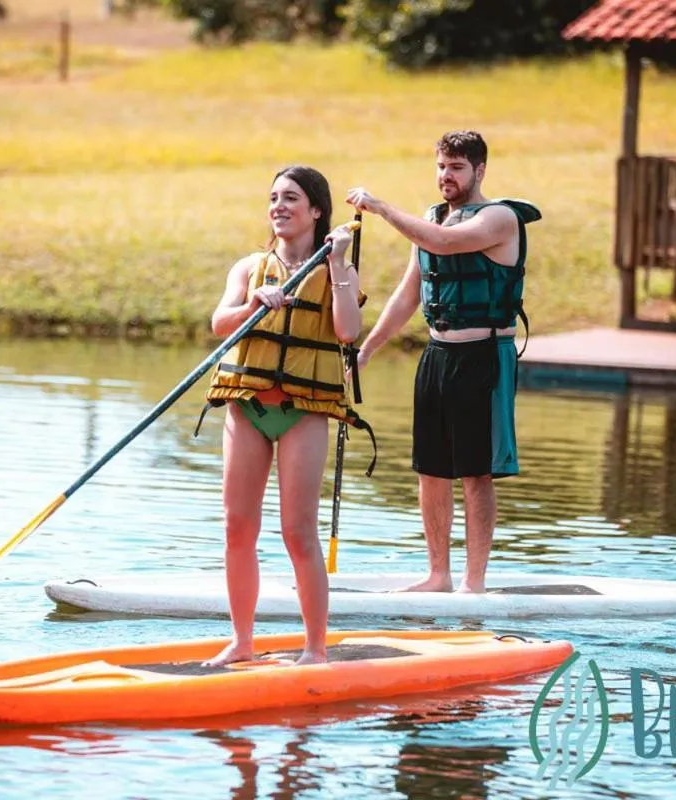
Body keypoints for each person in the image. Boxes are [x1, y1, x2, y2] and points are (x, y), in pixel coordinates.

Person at [345, 130, 540, 594]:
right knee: (431, 468)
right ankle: (439, 575)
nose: (445, 176)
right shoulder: (433, 219)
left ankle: (474, 583)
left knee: (475, 471)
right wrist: (368, 349)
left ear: (479, 170)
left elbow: (446, 244)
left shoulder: (500, 219)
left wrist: (383, 208)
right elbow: (409, 292)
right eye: (440, 167)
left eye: (456, 167)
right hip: (438, 355)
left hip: (483, 358)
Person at [202, 165, 364, 666]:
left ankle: (315, 648)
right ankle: (242, 642)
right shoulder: (250, 267)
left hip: (303, 412)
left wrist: (337, 266)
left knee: (297, 531)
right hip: (248, 406)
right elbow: (219, 323)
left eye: (291, 198)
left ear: (316, 209)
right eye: (273, 197)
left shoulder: (337, 269)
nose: (279, 206)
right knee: (237, 526)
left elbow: (347, 331)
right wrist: (253, 303)